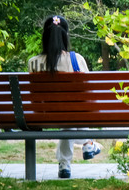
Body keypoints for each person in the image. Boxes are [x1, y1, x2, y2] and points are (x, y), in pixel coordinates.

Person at [28, 15, 101, 178]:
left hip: (42, 116)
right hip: (72, 114)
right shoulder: (76, 60)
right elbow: (89, 93)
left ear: (45, 37)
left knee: (68, 117)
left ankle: (65, 164)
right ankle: (87, 143)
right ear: (65, 36)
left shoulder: (33, 62)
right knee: (72, 113)